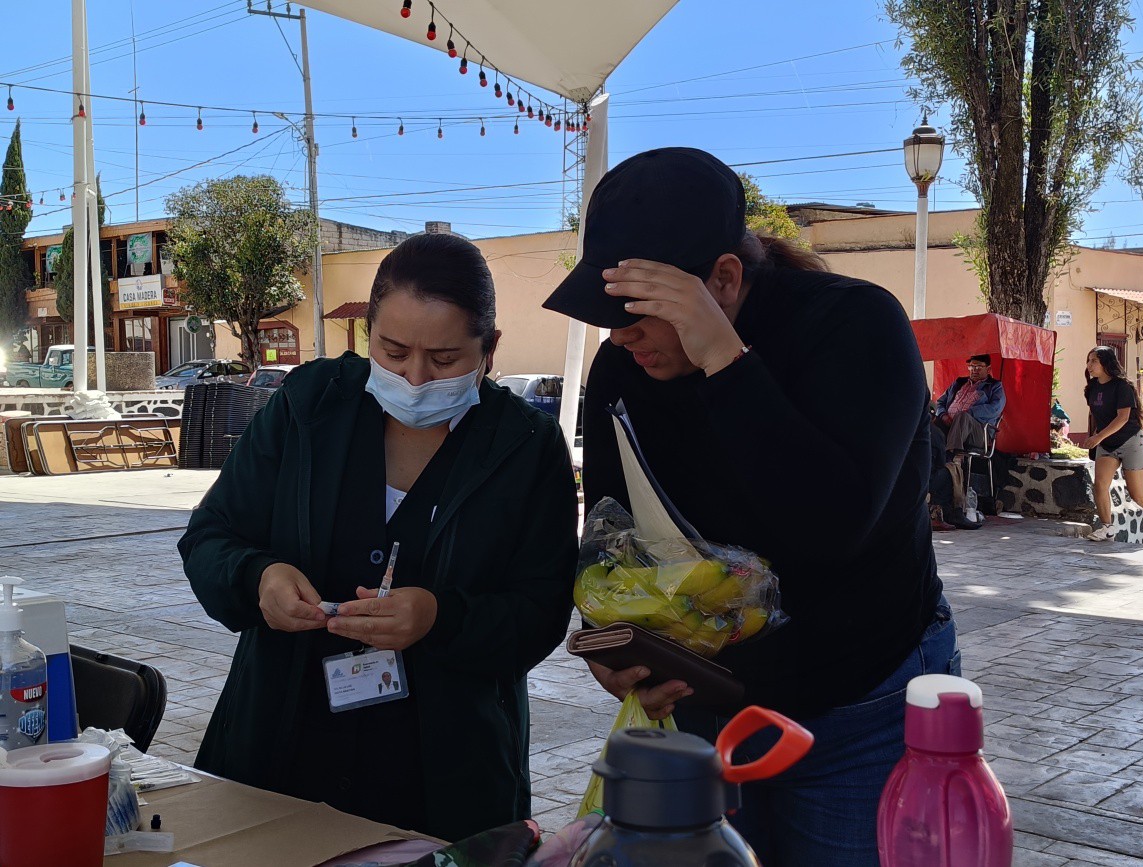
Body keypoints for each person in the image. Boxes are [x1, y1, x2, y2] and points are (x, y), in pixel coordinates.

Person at [542, 147, 958, 866]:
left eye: (636, 312)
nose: (619, 337)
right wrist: (611, 643)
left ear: (723, 281)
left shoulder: (856, 326)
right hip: (708, 705)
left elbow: (831, 525)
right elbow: (614, 544)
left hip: (860, 695)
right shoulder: (624, 369)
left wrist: (725, 363)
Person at [179, 233, 578, 842]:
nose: (416, 378)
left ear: (490, 349)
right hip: (284, 738)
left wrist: (440, 617)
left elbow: (542, 608)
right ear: (368, 334)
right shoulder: (310, 404)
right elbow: (212, 536)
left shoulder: (525, 446)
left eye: (445, 360)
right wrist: (258, 578)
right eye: (393, 352)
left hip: (445, 766)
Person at [1083, 346, 1143, 541]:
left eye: (1094, 361)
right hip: (1107, 445)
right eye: (1088, 361)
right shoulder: (1091, 388)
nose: (1089, 365)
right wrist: (1096, 437)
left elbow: (1122, 418)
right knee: (1099, 485)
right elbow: (1099, 417)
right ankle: (1107, 527)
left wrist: (1097, 438)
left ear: (1106, 363)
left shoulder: (1122, 386)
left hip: (1131, 442)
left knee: (1138, 495)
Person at [933, 354, 1006, 453]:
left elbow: (995, 408)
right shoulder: (959, 383)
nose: (974, 370)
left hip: (978, 432)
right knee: (930, 418)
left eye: (979, 367)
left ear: (988, 369)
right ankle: (930, 458)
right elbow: (940, 402)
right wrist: (943, 415)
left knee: (963, 416)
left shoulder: (994, 386)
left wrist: (970, 412)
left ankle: (954, 457)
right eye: (971, 366)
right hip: (950, 425)